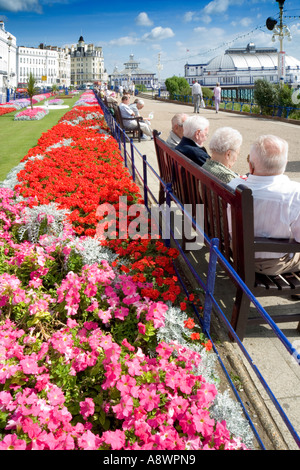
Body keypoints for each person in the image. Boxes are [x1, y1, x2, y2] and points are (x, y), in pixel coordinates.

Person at [228, 134, 300, 278]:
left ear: (250, 165)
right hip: (272, 263)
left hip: (236, 252)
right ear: (285, 163)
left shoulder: (233, 185)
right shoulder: (294, 193)